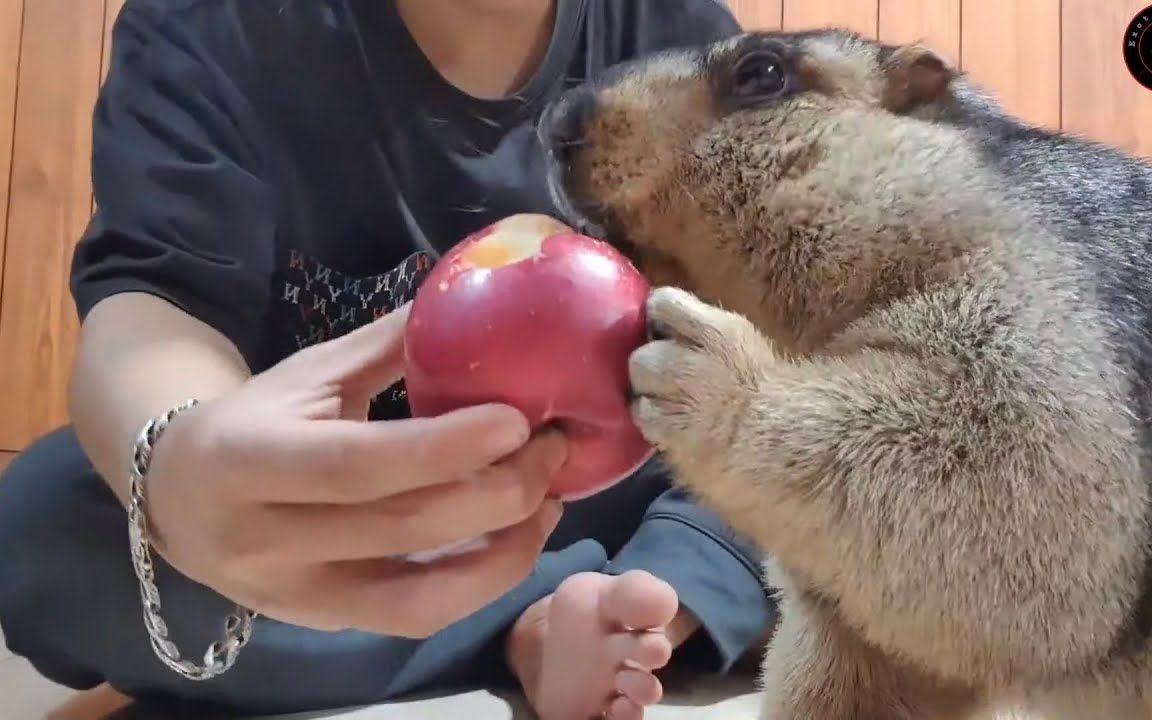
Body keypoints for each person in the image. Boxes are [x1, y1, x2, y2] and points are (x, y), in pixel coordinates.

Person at [0, 1, 775, 718]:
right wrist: (185, 476)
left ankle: (622, 606)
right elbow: (156, 299)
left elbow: (758, 356)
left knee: (790, 473)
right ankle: (541, 618)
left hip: (605, 494)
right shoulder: (214, 22)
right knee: (44, 528)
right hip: (322, 515)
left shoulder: (684, 40)